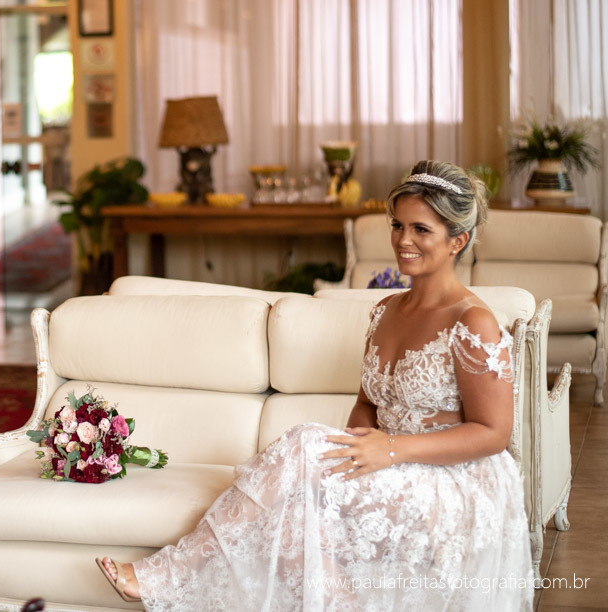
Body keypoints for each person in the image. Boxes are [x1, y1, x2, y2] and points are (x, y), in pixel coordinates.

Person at [97, 160, 534, 610]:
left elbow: (493, 433)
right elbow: (368, 402)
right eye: (398, 226)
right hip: (386, 463)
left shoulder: (473, 321)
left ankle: (167, 573)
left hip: (452, 482)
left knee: (305, 444)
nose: (404, 241)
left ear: (457, 240)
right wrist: (353, 451)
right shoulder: (385, 310)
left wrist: (390, 450)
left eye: (421, 230)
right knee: (292, 512)